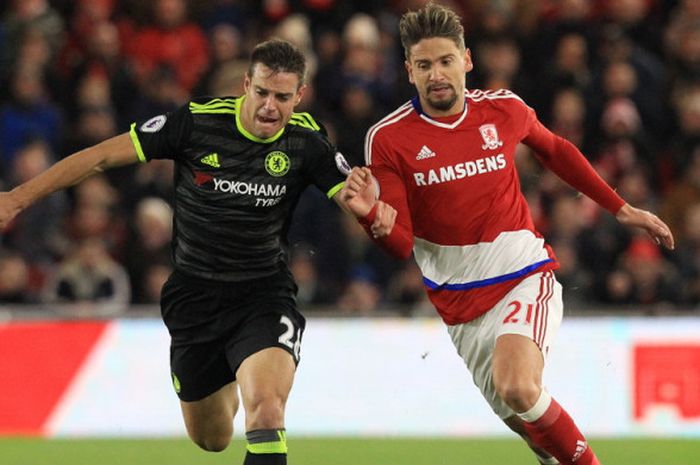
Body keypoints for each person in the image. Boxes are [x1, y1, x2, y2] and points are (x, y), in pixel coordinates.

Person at [341, 3, 675, 465]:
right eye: (424, 65)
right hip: (460, 308)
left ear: (467, 60)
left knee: (518, 385)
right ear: (409, 72)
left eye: (445, 61)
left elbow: (555, 150)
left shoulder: (503, 108)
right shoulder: (389, 138)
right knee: (534, 431)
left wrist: (619, 208)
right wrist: (371, 217)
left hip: (522, 272)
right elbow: (400, 243)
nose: (436, 74)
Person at [0, 39, 353, 465]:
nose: (269, 107)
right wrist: (17, 198)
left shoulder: (307, 142)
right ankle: (233, 372)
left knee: (267, 409)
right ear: (246, 85)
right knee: (213, 438)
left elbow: (359, 204)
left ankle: (253, 376)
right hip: (195, 299)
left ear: (300, 96)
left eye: (282, 97)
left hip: (264, 293)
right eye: (261, 92)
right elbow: (98, 158)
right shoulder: (195, 123)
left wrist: (378, 211)